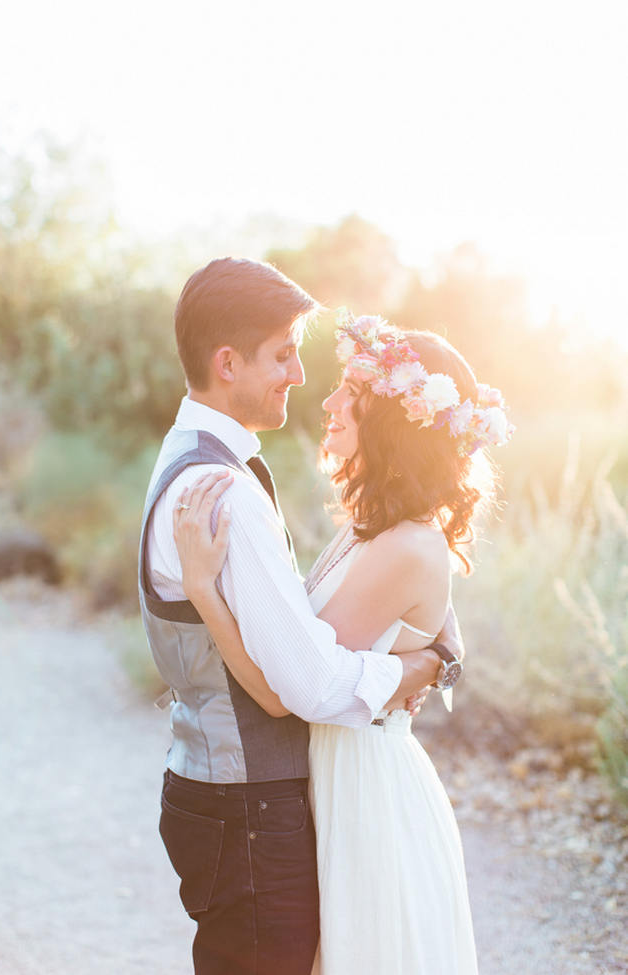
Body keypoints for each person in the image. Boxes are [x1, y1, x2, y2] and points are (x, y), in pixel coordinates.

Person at [139, 258, 464, 975]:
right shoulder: (223, 490)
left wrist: (436, 650)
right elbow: (305, 685)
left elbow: (396, 599)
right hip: (248, 802)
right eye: (284, 354)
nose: (301, 378)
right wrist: (419, 662)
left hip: (281, 788)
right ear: (228, 362)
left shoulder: (196, 461)